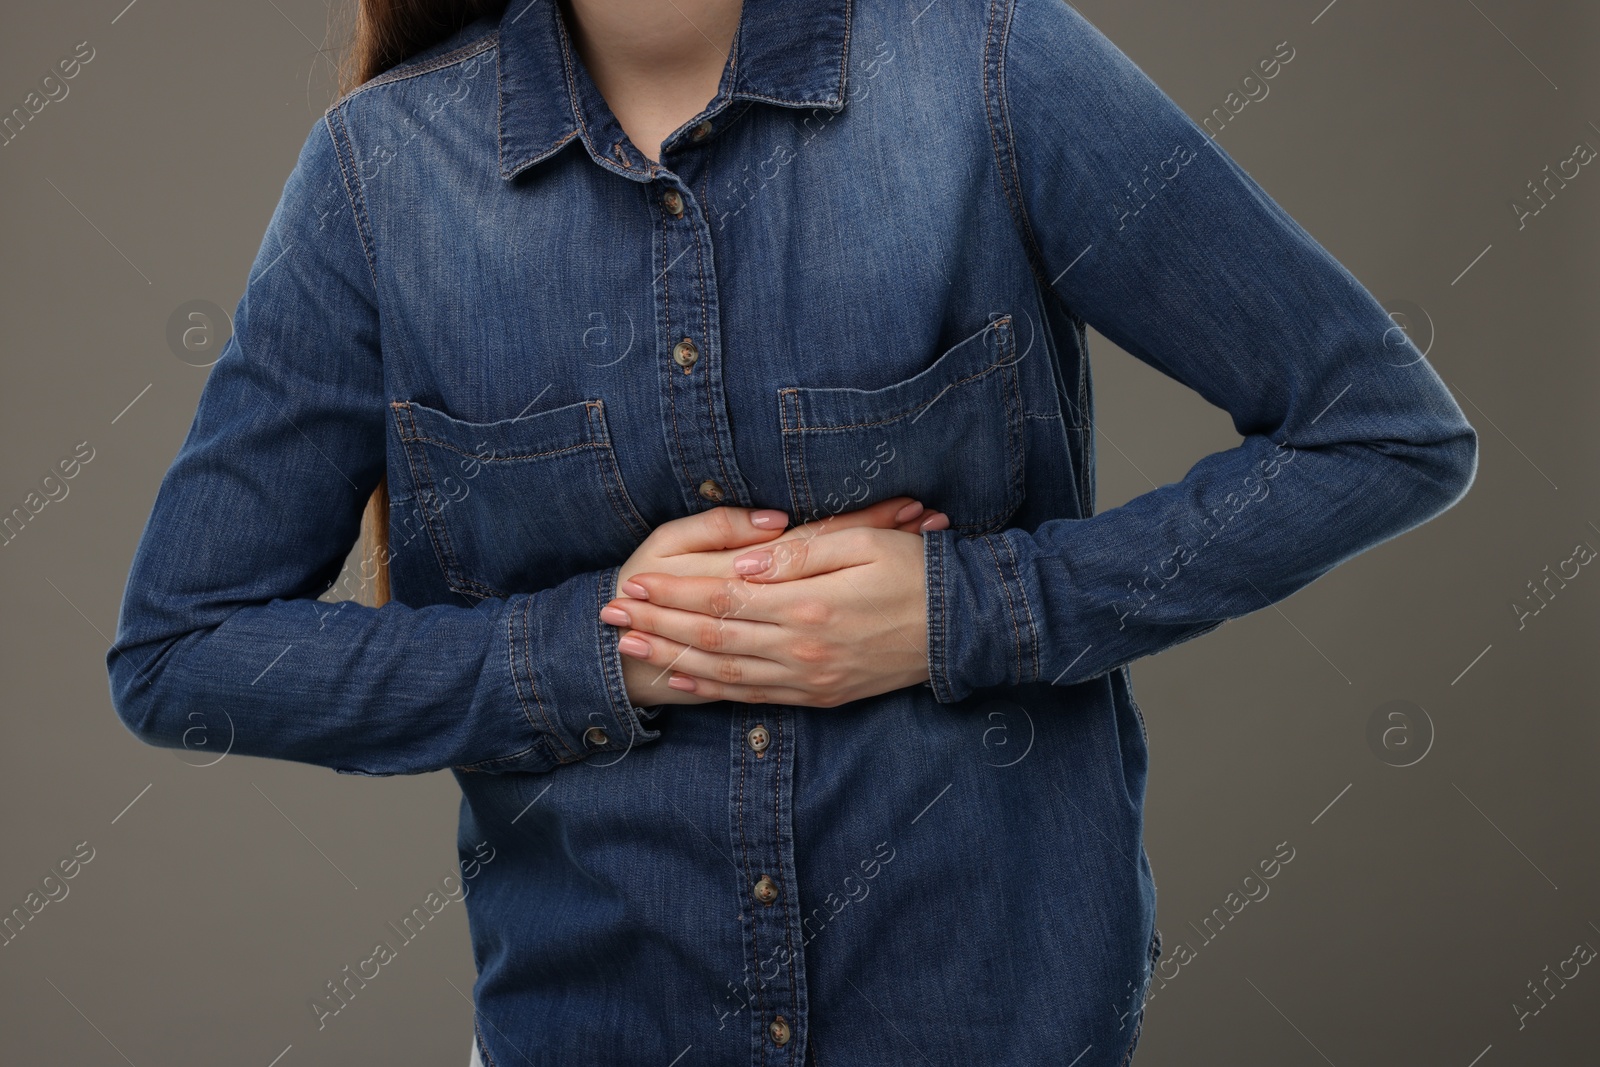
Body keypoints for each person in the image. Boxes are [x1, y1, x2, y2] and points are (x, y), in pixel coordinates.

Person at [107, 0, 1478, 1063]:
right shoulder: (378, 178)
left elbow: (1380, 431)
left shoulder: (989, 65)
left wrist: (968, 609)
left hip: (995, 1024)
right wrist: (606, 655)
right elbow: (182, 652)